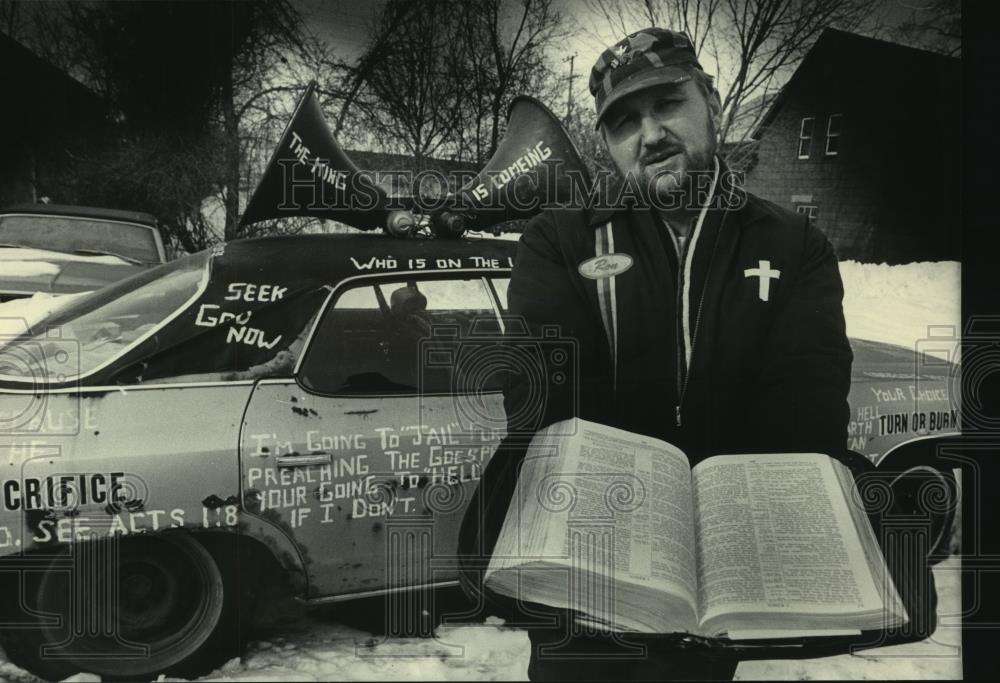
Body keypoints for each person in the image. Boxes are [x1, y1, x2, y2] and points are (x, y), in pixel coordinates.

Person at [458, 27, 855, 681]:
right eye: (623, 123)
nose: (649, 135)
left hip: (712, 598)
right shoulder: (557, 239)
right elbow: (547, 406)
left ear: (713, 104)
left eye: (667, 103)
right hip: (581, 595)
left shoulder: (795, 245)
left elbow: (805, 416)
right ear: (609, 145)